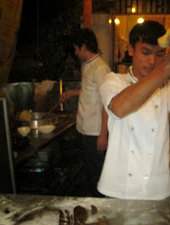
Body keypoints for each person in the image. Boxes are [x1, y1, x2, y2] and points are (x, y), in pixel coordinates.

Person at [98, 20, 170, 200]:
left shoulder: (167, 87)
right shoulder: (114, 80)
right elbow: (119, 108)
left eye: (160, 54)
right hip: (117, 188)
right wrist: (167, 67)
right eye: (145, 52)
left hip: (157, 188)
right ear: (130, 49)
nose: (152, 61)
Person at [59, 28, 111, 197]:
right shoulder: (87, 65)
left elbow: (107, 102)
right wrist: (71, 93)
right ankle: (95, 203)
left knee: (98, 173)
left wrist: (103, 134)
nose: (75, 53)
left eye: (75, 48)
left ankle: (103, 209)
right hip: (84, 128)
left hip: (95, 132)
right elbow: (90, 90)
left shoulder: (101, 68)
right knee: (90, 170)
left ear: (83, 47)